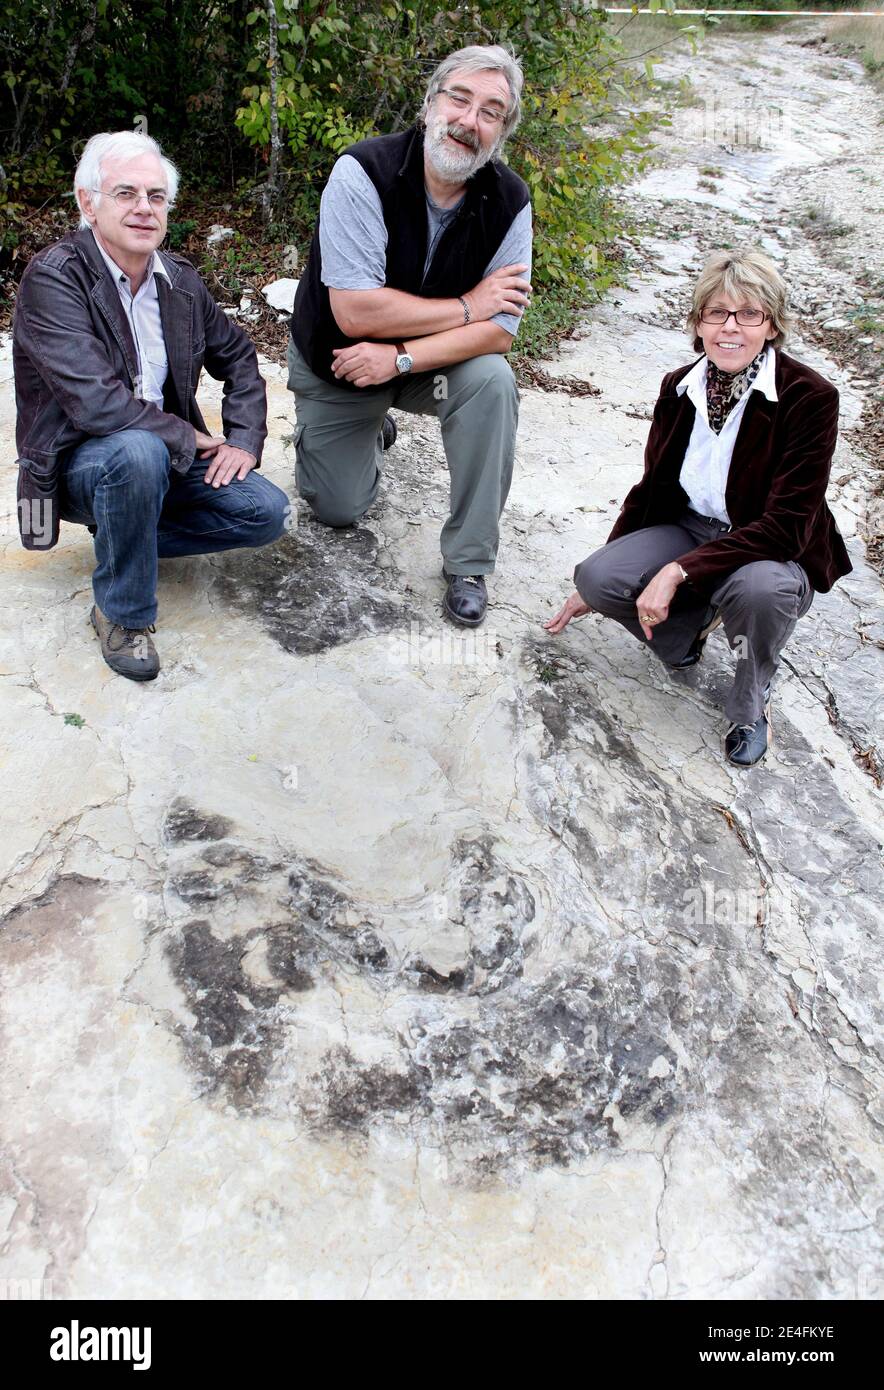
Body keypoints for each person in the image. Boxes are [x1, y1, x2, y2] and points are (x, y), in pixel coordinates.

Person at [545, 248, 852, 767]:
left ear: (772, 325)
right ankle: (688, 632)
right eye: (717, 312)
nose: (731, 327)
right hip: (691, 525)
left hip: (769, 547)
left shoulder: (810, 397)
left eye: (749, 314)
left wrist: (676, 572)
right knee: (597, 579)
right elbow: (653, 488)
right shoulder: (679, 385)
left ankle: (750, 704)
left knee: (761, 591)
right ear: (698, 322)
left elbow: (785, 528)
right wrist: (600, 572)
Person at [13, 130, 289, 681]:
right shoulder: (54, 277)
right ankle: (123, 614)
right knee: (136, 451)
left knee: (267, 513)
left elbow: (238, 356)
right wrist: (188, 437)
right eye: (126, 194)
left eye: (156, 196)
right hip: (76, 463)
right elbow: (97, 406)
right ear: (87, 203)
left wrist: (242, 439)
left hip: (158, 458)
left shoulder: (180, 281)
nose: (144, 208)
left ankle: (125, 532)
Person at [287, 44, 533, 627]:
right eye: (460, 98)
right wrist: (469, 304)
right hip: (342, 364)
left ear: (501, 132)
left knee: (492, 384)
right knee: (336, 509)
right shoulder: (362, 171)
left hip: (421, 372)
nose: (469, 121)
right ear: (429, 106)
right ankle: (359, 432)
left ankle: (469, 562)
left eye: (491, 111)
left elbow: (500, 332)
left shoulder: (511, 200)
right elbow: (354, 312)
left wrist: (400, 360)